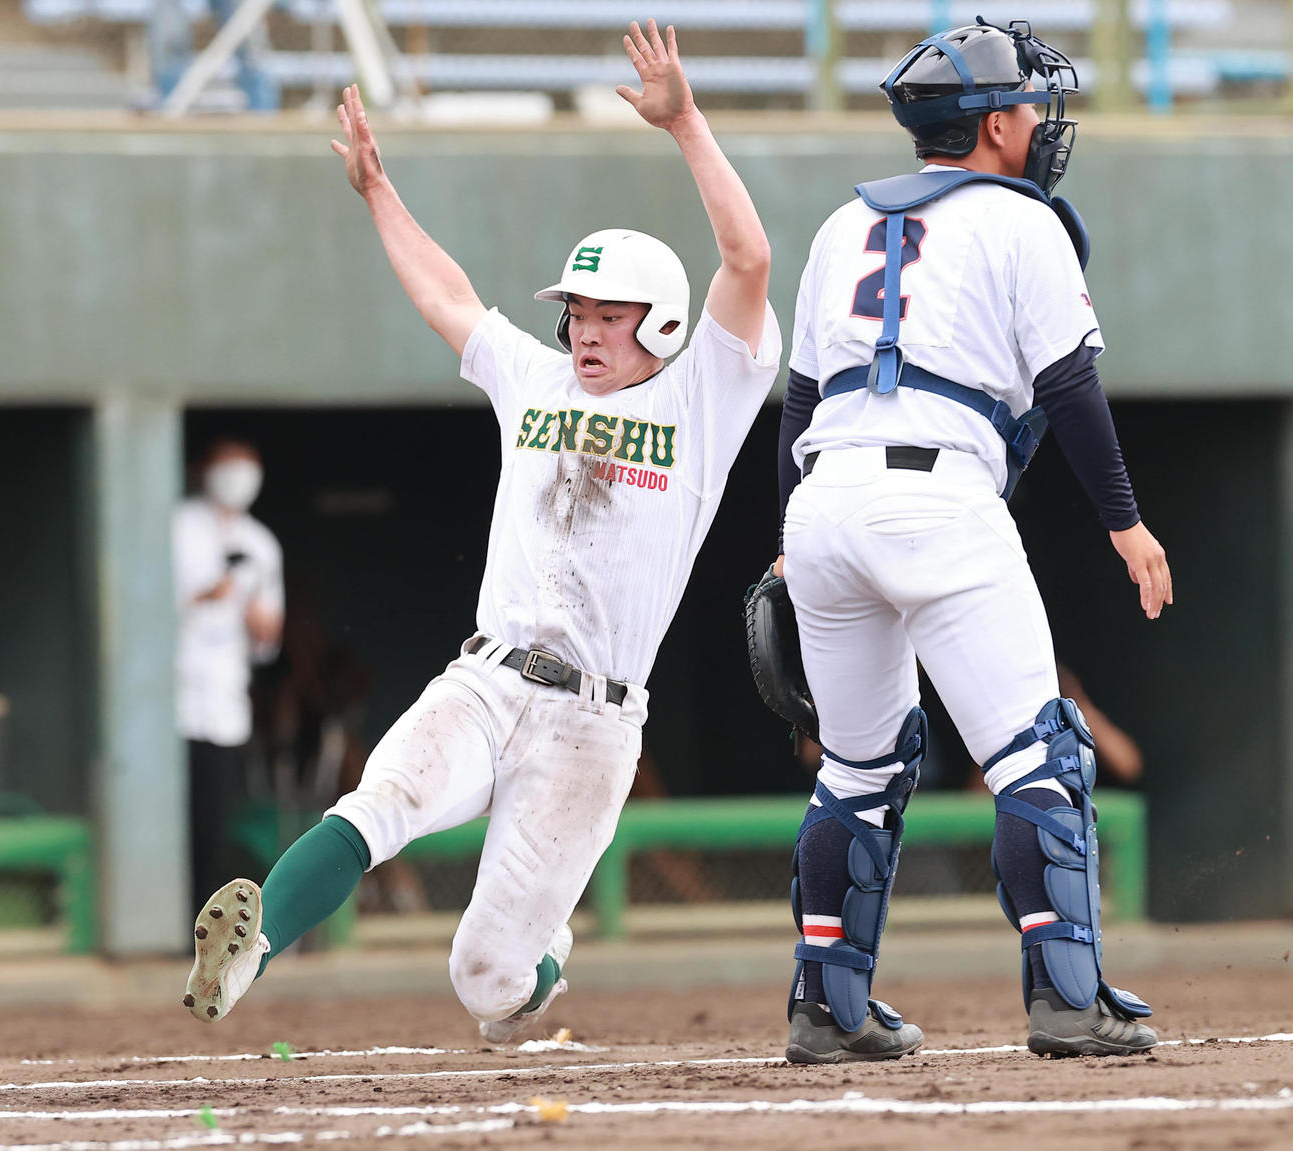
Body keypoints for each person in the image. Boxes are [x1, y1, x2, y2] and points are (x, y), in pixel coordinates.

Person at [183, 19, 779, 1039]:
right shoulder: (537, 375)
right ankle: (254, 947)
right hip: (486, 675)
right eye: (577, 311)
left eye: (609, 314)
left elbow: (748, 254)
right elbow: (446, 296)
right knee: (379, 801)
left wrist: (684, 124)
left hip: (592, 722)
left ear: (665, 324)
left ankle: (542, 955)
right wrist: (379, 192)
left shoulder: (705, 397)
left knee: (488, 980)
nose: (584, 330)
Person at [774, 18, 1172, 1063]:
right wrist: (1124, 521)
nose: (1040, 120)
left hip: (822, 500)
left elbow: (797, 405)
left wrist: (783, 541)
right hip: (937, 494)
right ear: (992, 124)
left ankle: (827, 1003)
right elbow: (1070, 386)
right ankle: (1067, 997)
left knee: (856, 769)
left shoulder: (834, 226)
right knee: (1039, 754)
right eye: (1029, 105)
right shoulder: (1019, 219)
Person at [172, 438, 285, 909]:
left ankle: (198, 926)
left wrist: (261, 626)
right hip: (172, 701)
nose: (238, 477)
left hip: (224, 701)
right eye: (228, 466)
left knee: (213, 819)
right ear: (204, 470)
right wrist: (206, 596)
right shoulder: (178, 526)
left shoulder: (260, 542)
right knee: (171, 818)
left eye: (248, 467)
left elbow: (269, 640)